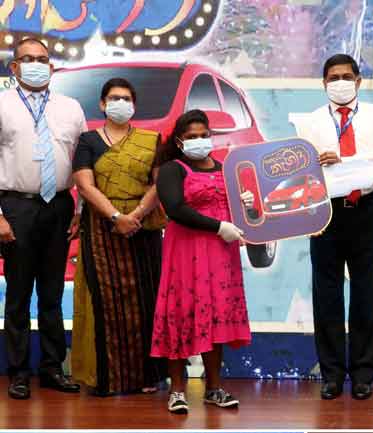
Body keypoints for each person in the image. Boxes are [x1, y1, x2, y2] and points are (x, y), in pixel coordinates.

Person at [295, 54, 373, 400]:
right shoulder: (309, 122)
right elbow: (303, 171)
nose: (340, 83)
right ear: (324, 83)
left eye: (346, 77)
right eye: (333, 77)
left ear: (358, 81)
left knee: (367, 292)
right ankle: (332, 374)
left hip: (366, 209)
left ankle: (364, 373)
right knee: (327, 295)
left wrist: (345, 161)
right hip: (325, 212)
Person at [0, 38, 86, 399]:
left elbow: (83, 163)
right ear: (14, 67)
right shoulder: (2, 104)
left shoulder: (70, 107)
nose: (36, 65)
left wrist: (79, 210)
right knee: (18, 294)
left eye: (42, 60)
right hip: (15, 207)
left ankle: (52, 368)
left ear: (51, 66)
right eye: (28, 59)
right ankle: (19, 372)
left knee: (52, 294)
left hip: (60, 207)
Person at [151, 110, 253, 414]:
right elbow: (175, 208)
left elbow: (235, 211)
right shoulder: (172, 169)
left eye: (204, 135)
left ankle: (214, 388)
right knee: (181, 312)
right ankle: (177, 390)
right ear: (179, 141)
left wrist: (244, 206)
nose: (199, 140)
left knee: (217, 313)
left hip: (221, 254)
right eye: (191, 136)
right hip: (185, 251)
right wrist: (218, 227)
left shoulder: (225, 168)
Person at [71, 78, 167, 395]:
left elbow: (158, 183)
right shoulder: (88, 141)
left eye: (126, 98)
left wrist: (135, 215)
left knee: (146, 298)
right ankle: (107, 378)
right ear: (102, 104)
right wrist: (116, 217)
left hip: (143, 227)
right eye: (114, 98)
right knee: (104, 302)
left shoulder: (151, 140)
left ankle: (147, 376)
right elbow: (85, 185)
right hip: (102, 228)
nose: (120, 103)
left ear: (134, 105)